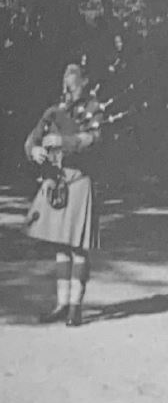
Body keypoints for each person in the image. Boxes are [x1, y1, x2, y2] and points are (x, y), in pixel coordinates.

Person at [26, 63, 102, 327]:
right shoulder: (53, 111)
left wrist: (64, 142)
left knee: (77, 247)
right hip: (57, 181)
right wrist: (34, 151)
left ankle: (75, 307)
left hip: (79, 180)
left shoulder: (94, 109)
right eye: (66, 84)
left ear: (83, 83)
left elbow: (93, 139)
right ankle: (61, 303)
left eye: (74, 84)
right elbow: (32, 139)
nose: (69, 89)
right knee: (60, 246)